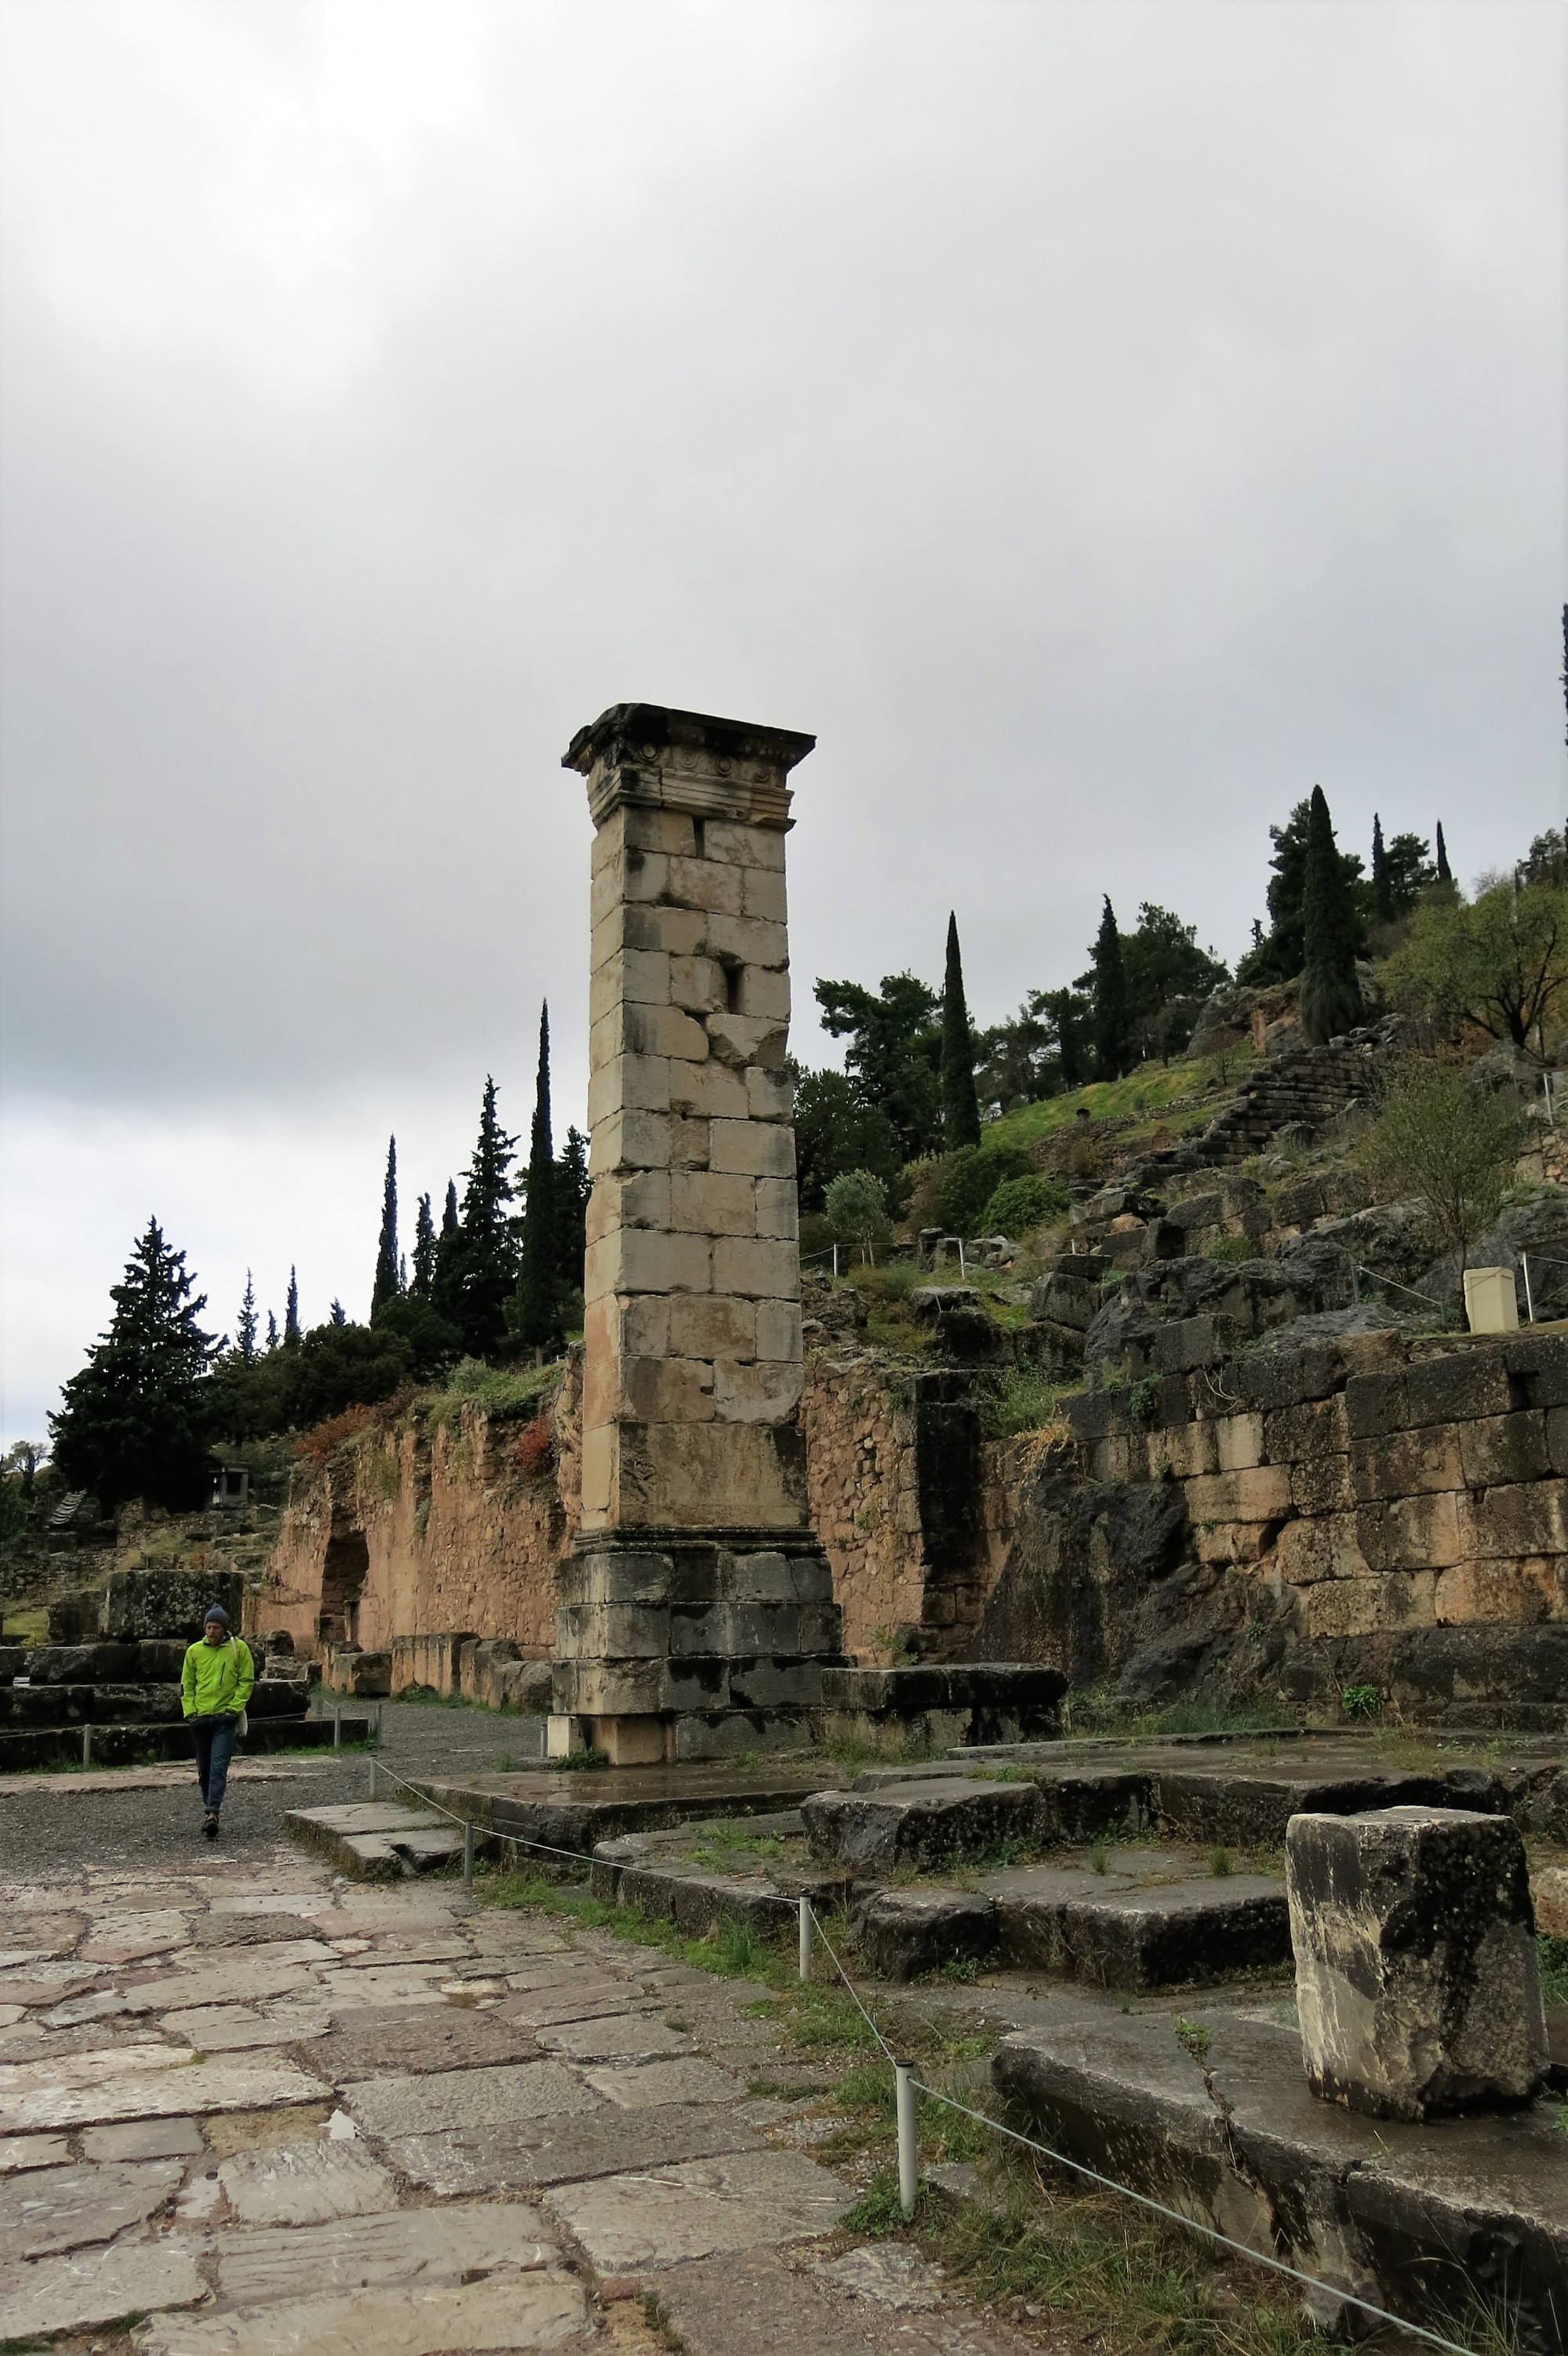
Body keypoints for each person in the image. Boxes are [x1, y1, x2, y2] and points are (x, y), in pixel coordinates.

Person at [180, 1604, 255, 1841]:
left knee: (218, 1767)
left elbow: (247, 1679)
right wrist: (190, 1712)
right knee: (204, 1770)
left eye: (216, 1627)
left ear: (224, 1629)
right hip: (200, 1719)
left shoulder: (238, 1649)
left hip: (224, 1718)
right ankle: (210, 1810)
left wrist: (234, 1708)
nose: (212, 1631)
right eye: (209, 1627)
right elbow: (187, 1685)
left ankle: (212, 1812)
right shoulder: (194, 1651)